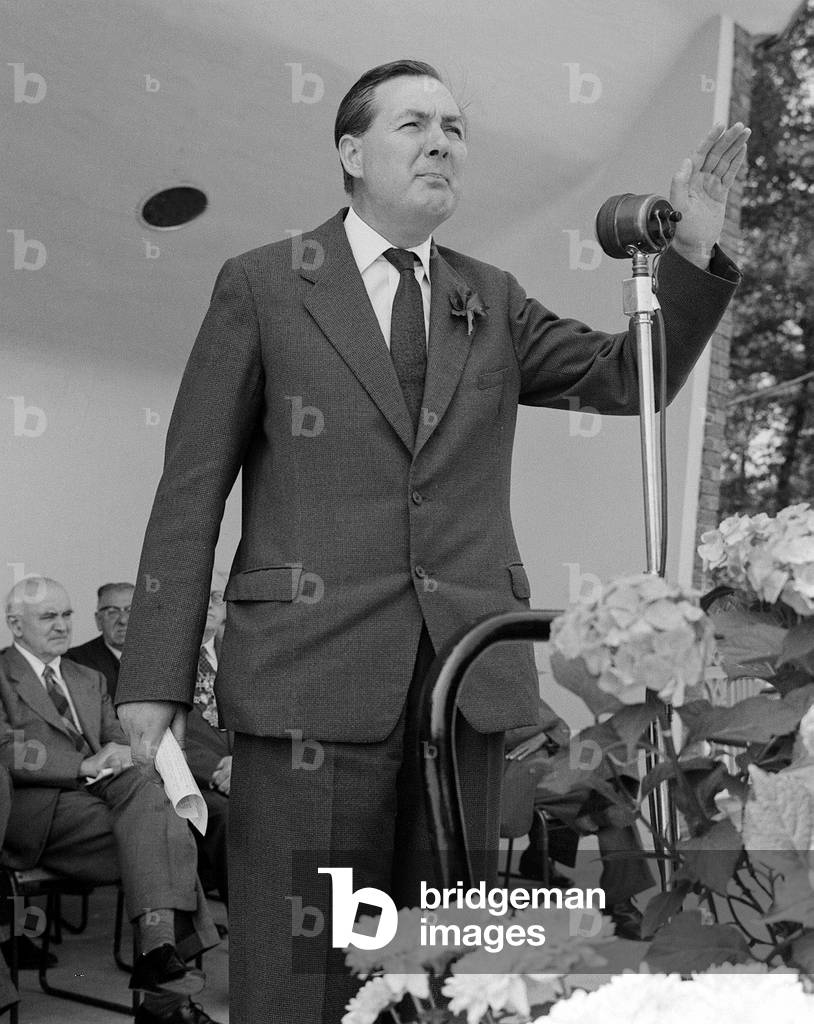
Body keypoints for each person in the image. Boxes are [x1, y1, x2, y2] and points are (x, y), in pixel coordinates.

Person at [114, 59, 747, 1024]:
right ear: (351, 151)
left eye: (455, 125)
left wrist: (692, 255)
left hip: (466, 679)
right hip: (308, 679)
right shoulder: (262, 285)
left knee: (445, 972)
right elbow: (191, 487)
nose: (443, 140)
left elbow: (630, 379)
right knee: (303, 970)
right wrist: (154, 678)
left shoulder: (491, 296)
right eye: (415, 124)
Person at [0, 577, 221, 1024]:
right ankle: (164, 991)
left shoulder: (87, 677)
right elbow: (5, 748)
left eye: (66, 615)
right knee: (163, 832)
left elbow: (117, 740)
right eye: (49, 617)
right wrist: (82, 765)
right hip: (36, 809)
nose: (62, 626)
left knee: (151, 798)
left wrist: (122, 751)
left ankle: (158, 959)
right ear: (15, 626)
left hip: (104, 803)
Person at [504, 706, 653, 940]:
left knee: (620, 736)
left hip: (550, 763)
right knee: (611, 802)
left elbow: (557, 724)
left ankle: (539, 856)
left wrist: (544, 735)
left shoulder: (513, 674)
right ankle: (619, 906)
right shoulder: (474, 676)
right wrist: (541, 734)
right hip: (514, 777)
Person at [183, 578, 230, 910]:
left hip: (244, 770)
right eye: (204, 595)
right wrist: (216, 771)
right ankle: (247, 919)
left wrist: (242, 765)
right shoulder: (160, 664)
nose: (211, 604)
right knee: (231, 815)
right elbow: (159, 737)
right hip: (193, 781)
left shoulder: (242, 655)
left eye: (217, 597)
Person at [66, 581, 134, 700]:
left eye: (131, 610)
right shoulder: (75, 662)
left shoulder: (165, 659)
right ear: (99, 620)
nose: (123, 620)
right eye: (112, 612)